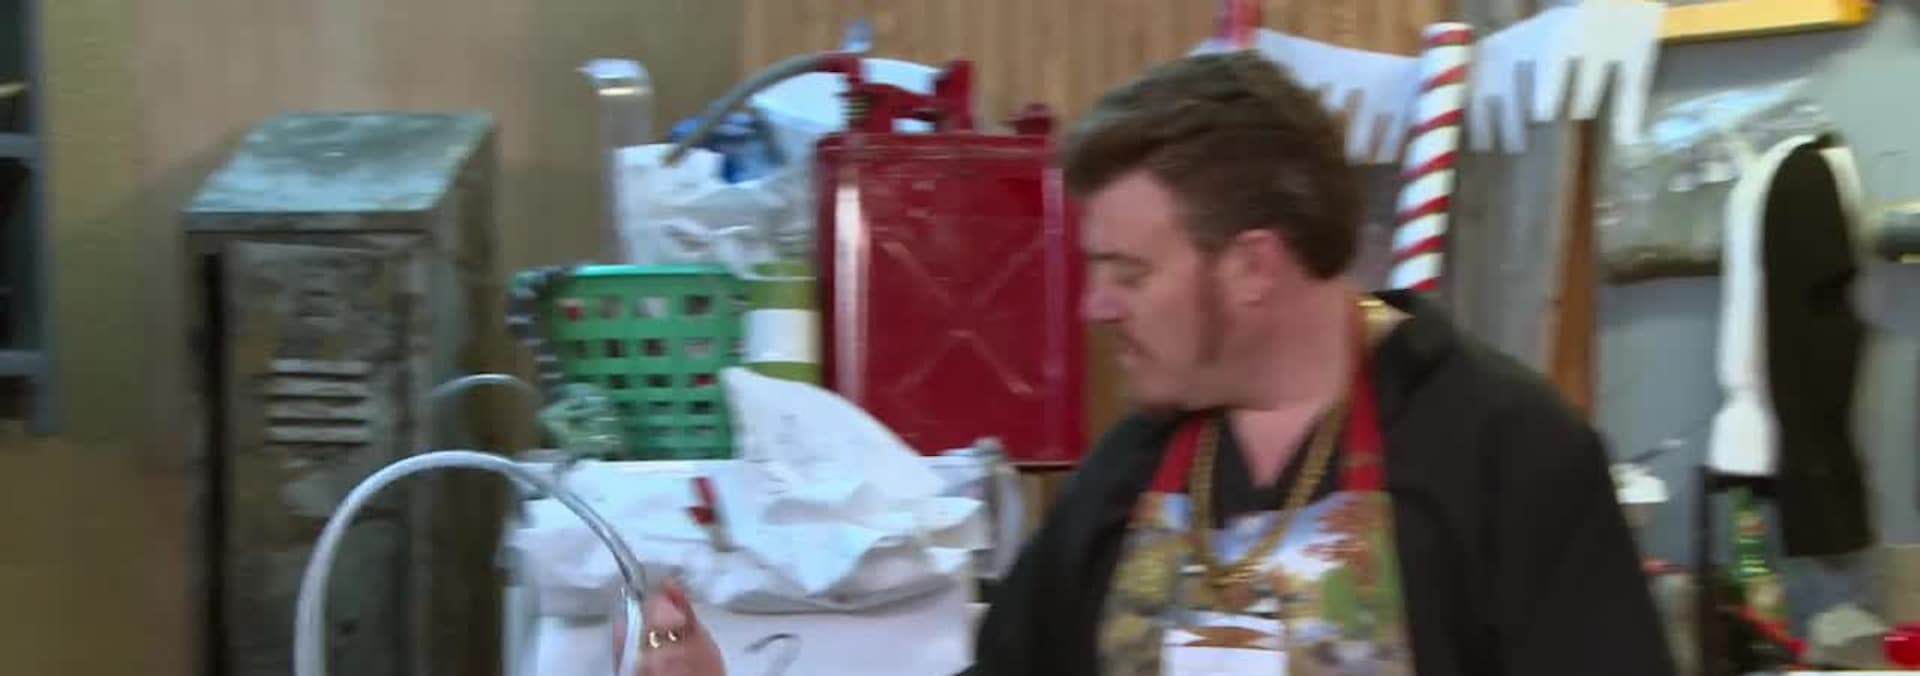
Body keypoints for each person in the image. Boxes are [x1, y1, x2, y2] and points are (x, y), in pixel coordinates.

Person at [638, 51, 1675, 676]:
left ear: (1253, 266)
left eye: (1128, 272)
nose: (1095, 306)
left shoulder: (1507, 455)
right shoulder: (1132, 474)